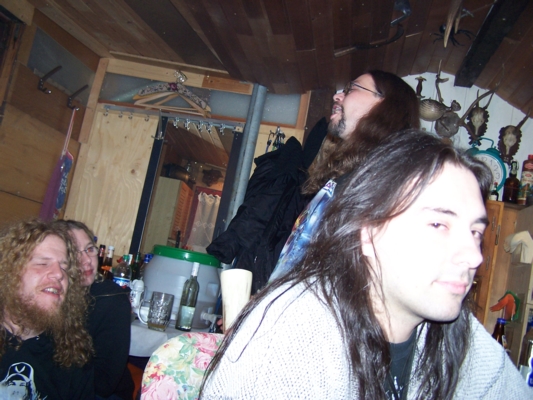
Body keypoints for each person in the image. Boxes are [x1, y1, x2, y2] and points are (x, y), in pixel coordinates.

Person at [200, 129, 532, 399]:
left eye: (475, 232)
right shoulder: (292, 341)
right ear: (369, 234)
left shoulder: (465, 343)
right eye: (438, 224)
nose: (474, 256)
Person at [269, 70, 420, 282]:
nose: (337, 96)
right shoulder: (353, 175)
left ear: (385, 106)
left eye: (351, 89)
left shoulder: (382, 184)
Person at [0, 219, 94, 399]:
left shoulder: (72, 356)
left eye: (65, 268)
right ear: (8, 272)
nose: (59, 274)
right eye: (42, 263)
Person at [53, 220, 134, 400]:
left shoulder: (111, 299)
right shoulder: (47, 295)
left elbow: (104, 383)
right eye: (74, 252)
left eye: (90, 249)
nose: (87, 261)